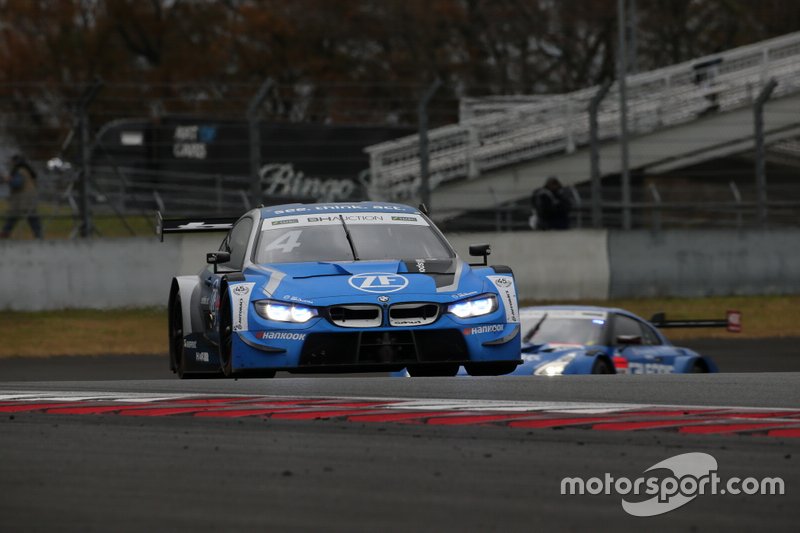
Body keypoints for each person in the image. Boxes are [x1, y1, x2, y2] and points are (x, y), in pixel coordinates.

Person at [1, 154, 43, 239]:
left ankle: (5, 233)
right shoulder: (27, 170)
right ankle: (39, 235)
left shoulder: (20, 171)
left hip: (22, 199)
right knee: (32, 217)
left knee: (13, 216)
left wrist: (8, 179)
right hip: (28, 198)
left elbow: (17, 184)